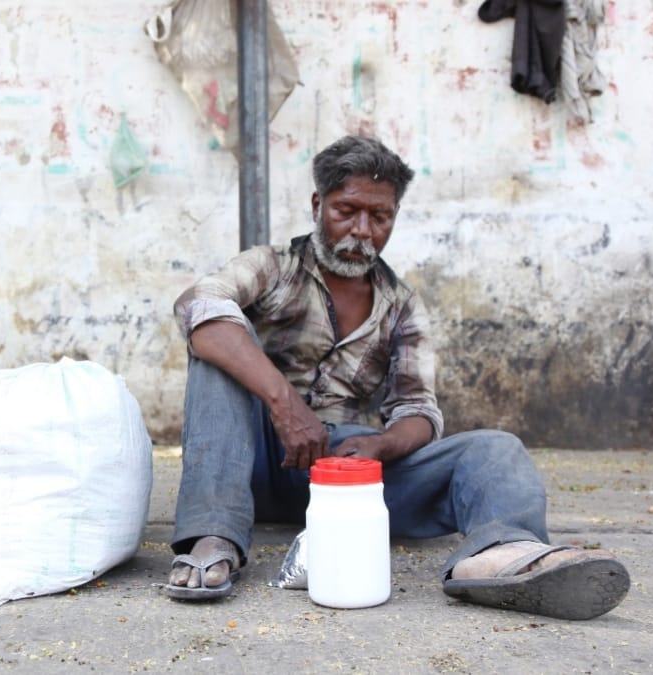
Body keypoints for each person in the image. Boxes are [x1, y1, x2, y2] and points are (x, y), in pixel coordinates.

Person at [164, 135, 629, 620]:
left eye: (380, 217)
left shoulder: (403, 305)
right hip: (246, 461)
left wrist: (380, 448)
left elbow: (418, 410)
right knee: (218, 344)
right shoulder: (271, 266)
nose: (362, 230)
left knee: (496, 449)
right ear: (318, 204)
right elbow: (197, 305)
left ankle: (500, 556)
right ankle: (213, 534)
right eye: (347, 210)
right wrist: (285, 405)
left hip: (346, 480)